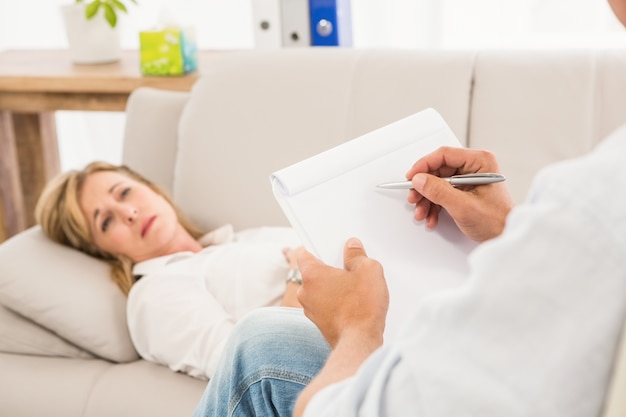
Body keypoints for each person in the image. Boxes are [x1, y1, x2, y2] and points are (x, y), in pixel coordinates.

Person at [191, 1, 626, 415]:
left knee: (258, 351)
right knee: (265, 339)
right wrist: (507, 228)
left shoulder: (591, 200)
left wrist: (357, 326)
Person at [35, 161, 306, 379]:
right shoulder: (156, 293)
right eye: (105, 222)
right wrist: (299, 277)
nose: (128, 212)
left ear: (153, 189)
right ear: (100, 251)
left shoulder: (242, 239)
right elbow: (256, 372)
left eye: (125, 192)